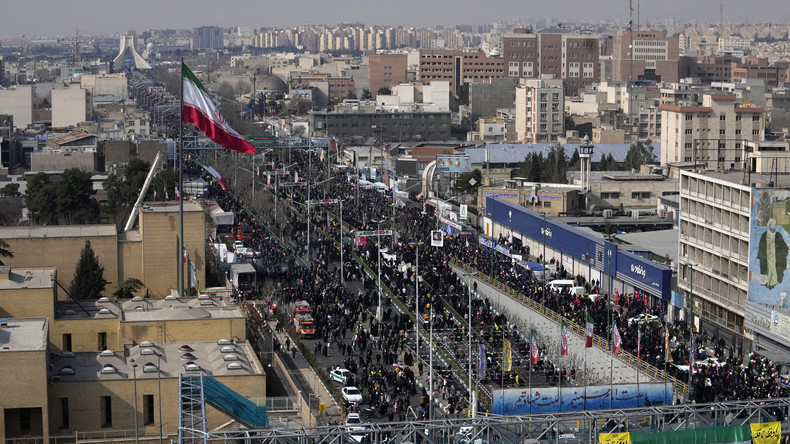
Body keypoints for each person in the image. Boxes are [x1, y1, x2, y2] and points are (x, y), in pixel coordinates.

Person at [758, 218, 789, 290]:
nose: (772, 227)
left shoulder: (778, 235)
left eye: (774, 225)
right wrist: (762, 257)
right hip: (767, 258)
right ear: (768, 226)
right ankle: (768, 284)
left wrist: (781, 254)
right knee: (768, 271)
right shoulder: (764, 235)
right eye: (771, 225)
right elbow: (761, 247)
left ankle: (774, 284)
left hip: (775, 257)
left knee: (774, 271)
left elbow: (784, 247)